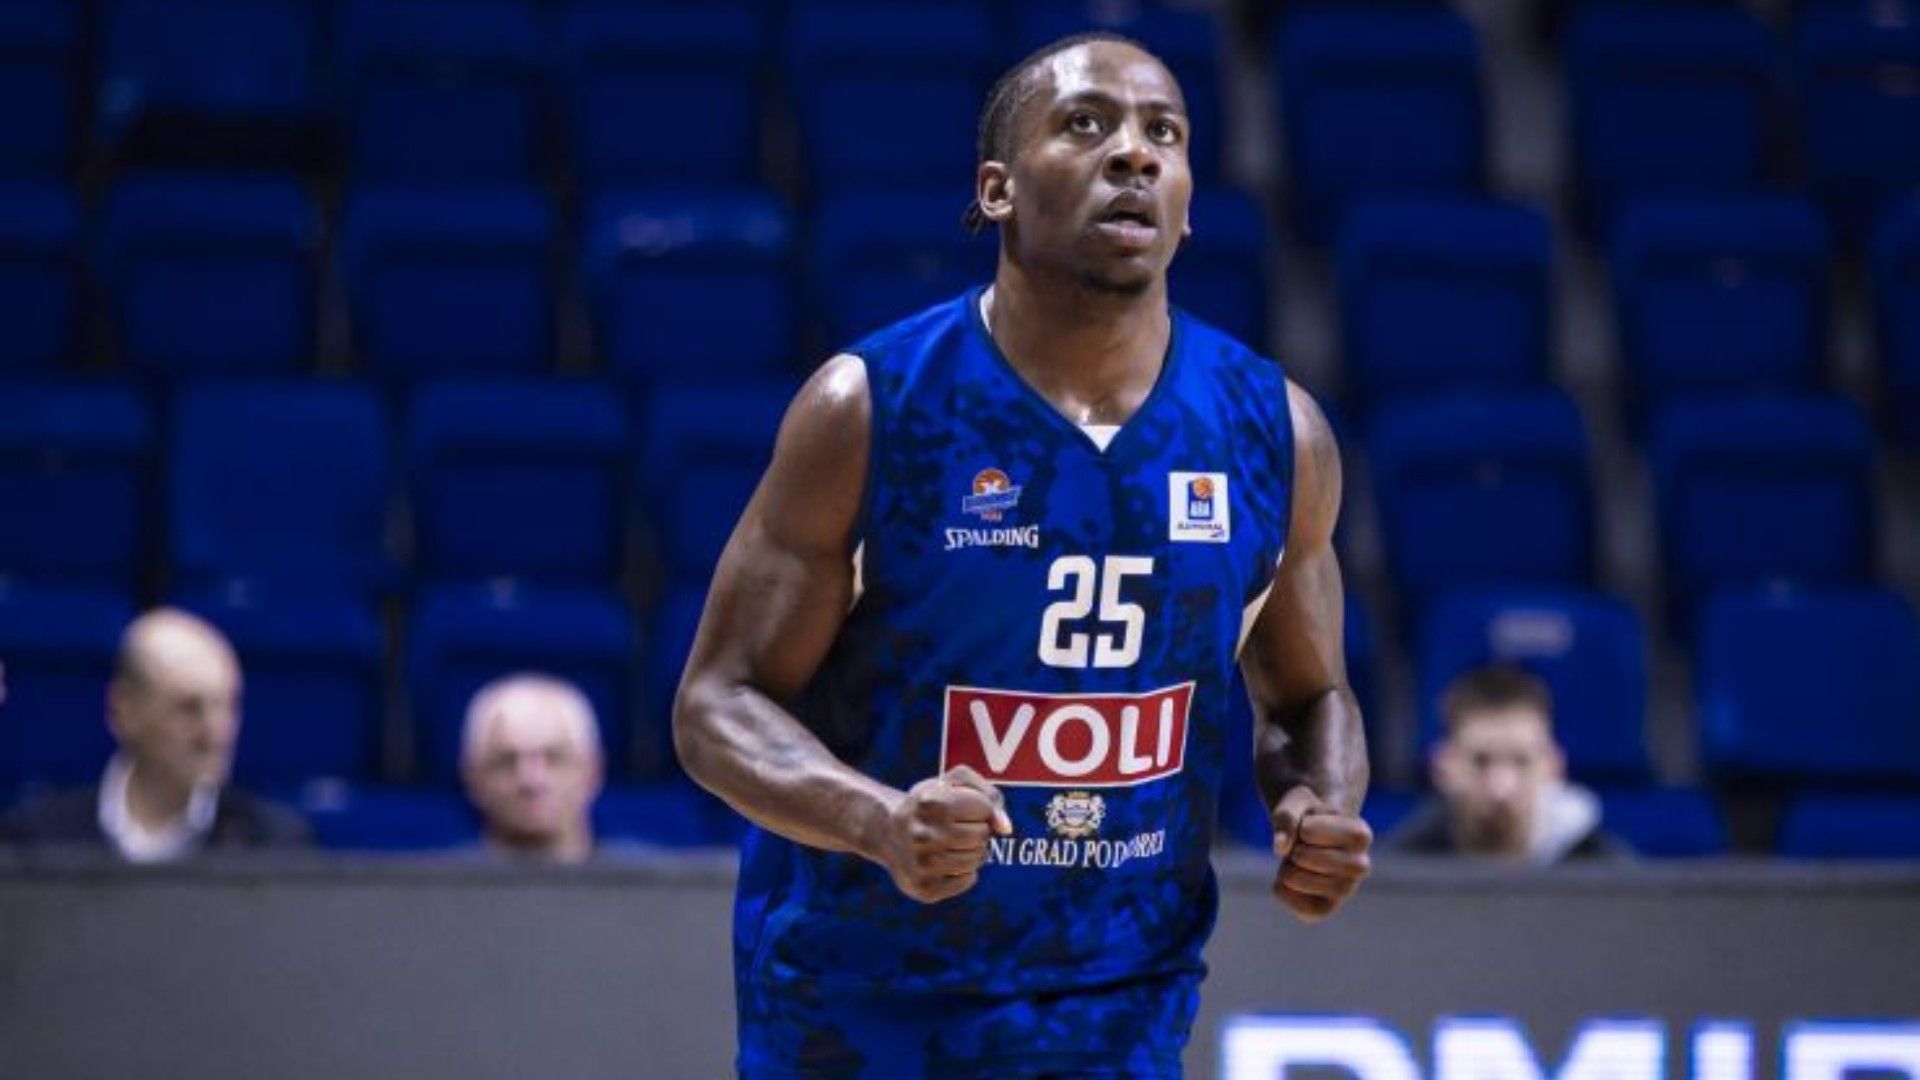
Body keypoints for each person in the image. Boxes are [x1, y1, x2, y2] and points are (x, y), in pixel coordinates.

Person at [673, 32, 1371, 1078]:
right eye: (1086, 124)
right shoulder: (873, 409)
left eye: (1164, 134)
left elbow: (1310, 698)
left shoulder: (1274, 430)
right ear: (997, 189)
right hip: (864, 1009)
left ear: (1187, 204)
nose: (1133, 153)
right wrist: (880, 822)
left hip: (1119, 1011)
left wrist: (1319, 806)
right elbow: (715, 705)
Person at [1, 608, 308, 860]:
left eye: (226, 707)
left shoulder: (274, 845)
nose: (215, 733)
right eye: (189, 708)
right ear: (124, 711)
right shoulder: (39, 840)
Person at [1386, 665, 1631, 863]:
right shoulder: (1397, 869)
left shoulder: (1611, 877)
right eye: (1480, 762)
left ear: (1553, 767)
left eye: (1521, 762)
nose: (1501, 789)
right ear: (1443, 767)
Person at [459, 672, 604, 865]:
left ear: (592, 773)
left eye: (553, 758)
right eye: (507, 761)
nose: (531, 781)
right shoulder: (431, 881)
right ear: (473, 778)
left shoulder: (643, 877)